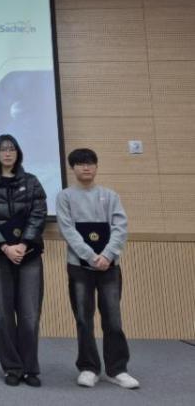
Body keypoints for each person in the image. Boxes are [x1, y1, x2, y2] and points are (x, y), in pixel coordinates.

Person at [56, 148, 139, 389]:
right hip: (79, 267)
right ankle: (88, 368)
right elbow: (67, 229)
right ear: (72, 168)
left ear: (96, 167)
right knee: (84, 319)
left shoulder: (110, 195)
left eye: (90, 163)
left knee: (113, 319)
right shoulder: (65, 196)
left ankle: (117, 369)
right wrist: (91, 257)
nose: (86, 167)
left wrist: (107, 255)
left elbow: (120, 227)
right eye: (81, 163)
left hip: (109, 267)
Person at [0, 134, 47, 387]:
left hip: (29, 256)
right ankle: (12, 367)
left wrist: (23, 244)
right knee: (0, 313)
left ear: (18, 153)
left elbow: (39, 214)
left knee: (30, 314)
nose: (7, 153)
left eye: (12, 149)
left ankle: (30, 368)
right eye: (3, 149)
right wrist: (5, 247)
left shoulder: (32, 181)